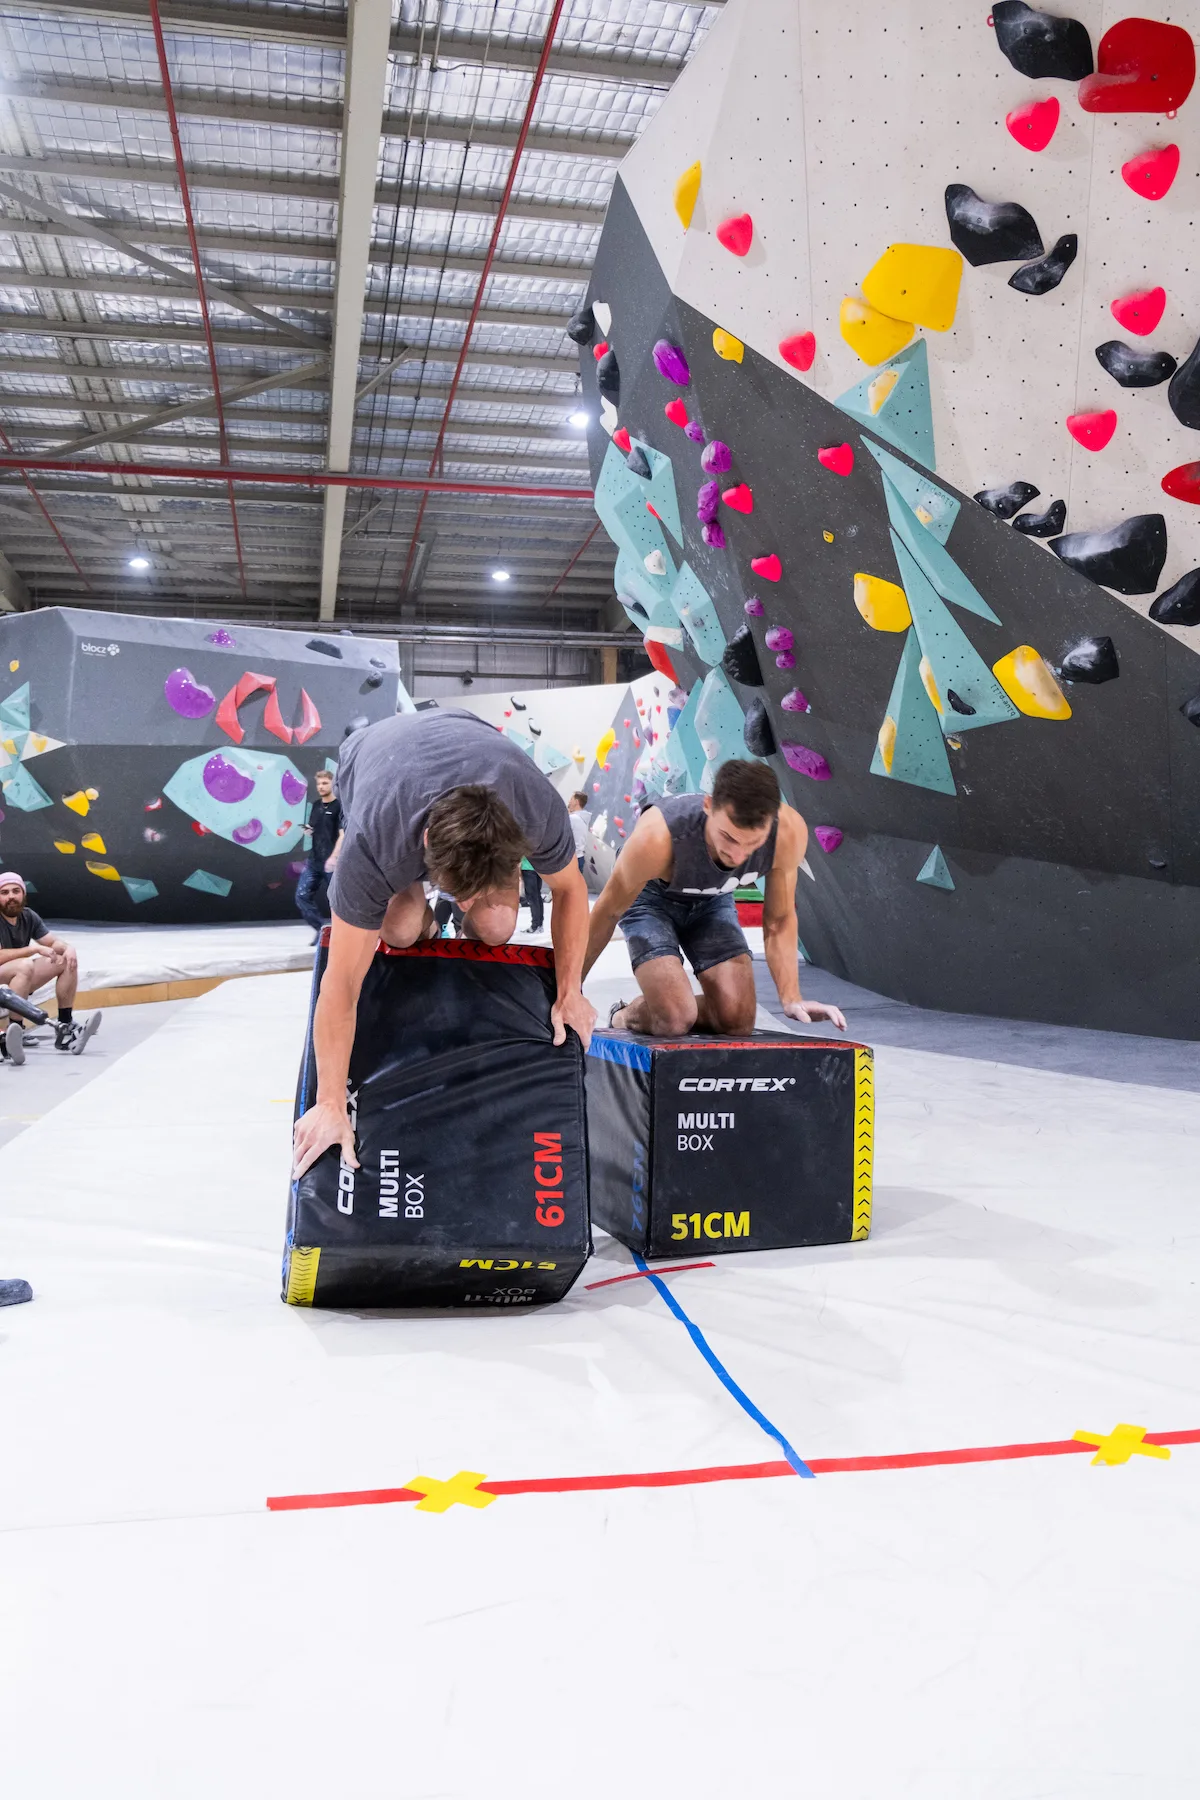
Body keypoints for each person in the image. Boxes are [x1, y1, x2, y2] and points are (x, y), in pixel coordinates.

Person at [292, 708, 596, 1177]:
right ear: (428, 842)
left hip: (469, 741)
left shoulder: (535, 807)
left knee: (497, 925)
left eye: (473, 891)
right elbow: (341, 984)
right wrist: (329, 1101)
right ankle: (427, 922)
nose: (466, 902)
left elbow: (571, 890)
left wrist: (571, 989)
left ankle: (464, 913)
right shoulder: (375, 840)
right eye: (458, 892)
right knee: (400, 928)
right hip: (375, 758)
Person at [583, 761, 847, 1038]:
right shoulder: (657, 838)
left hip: (712, 899)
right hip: (650, 899)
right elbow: (607, 912)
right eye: (728, 837)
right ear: (708, 806)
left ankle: (669, 1007)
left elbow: (779, 919)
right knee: (674, 1020)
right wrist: (567, 991)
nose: (738, 855)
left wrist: (791, 997)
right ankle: (624, 1014)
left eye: (752, 843)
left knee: (737, 1021)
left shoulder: (787, 834)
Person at [0, 873, 101, 1062]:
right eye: (4, 892)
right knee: (24, 965)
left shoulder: (28, 916)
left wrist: (68, 948)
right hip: (4, 981)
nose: (11, 896)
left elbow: (52, 942)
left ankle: (65, 1024)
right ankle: (16, 1030)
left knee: (65, 960)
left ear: (23, 894)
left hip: (17, 977)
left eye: (15, 891)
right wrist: (33, 949)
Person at [295, 768, 342, 942]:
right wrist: (308, 831)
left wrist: (334, 857)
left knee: (338, 901)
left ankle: (340, 936)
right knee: (302, 896)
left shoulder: (339, 807)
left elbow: (343, 835)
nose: (321, 786)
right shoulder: (315, 805)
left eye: (325, 783)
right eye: (319, 784)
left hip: (333, 862)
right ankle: (322, 929)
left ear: (332, 784)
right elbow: (314, 828)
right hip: (314, 860)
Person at [519, 856, 544, 933]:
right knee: (537, 896)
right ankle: (539, 925)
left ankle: (535, 926)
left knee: (532, 898)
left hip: (527, 867)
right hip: (538, 867)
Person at [568, 790, 590, 873]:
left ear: (576, 802)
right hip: (580, 857)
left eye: (571, 799)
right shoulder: (584, 818)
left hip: (571, 859)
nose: (569, 801)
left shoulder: (573, 819)